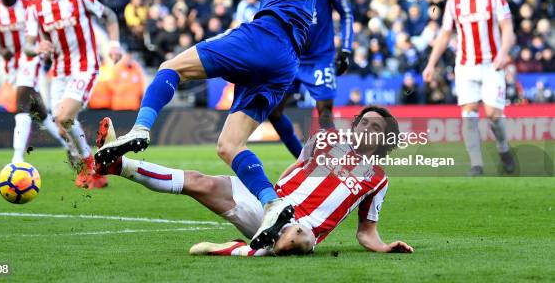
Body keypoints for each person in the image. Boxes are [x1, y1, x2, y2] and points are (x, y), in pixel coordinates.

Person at [96, 0, 417, 249]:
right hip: (284, 64)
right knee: (229, 146)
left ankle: (141, 129)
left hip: (265, 36)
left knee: (170, 67)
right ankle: (273, 203)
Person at [95, 106, 413, 256]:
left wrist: (386, 247)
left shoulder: (376, 180)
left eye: (375, 127)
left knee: (297, 240)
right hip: (270, 202)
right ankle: (120, 165)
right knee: (199, 182)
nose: (366, 128)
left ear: (384, 138)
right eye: (364, 122)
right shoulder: (326, 141)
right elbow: (296, 166)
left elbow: (366, 233)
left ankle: (232, 249)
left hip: (302, 229)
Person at [24, 0, 122, 189]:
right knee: (61, 124)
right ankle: (89, 170)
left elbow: (109, 15)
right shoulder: (34, 9)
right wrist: (37, 47)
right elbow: (28, 44)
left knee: (64, 116)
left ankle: (90, 165)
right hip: (58, 72)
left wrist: (114, 44)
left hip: (85, 66)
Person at [422, 0, 516, 176]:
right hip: (465, 66)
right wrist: (430, 64)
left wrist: (503, 54)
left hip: (492, 64)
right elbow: (444, 35)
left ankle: (503, 149)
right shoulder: (454, 3)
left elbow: (508, 29)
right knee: (469, 114)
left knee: (494, 115)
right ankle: (477, 165)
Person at [0, 0, 71, 164]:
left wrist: (45, 46)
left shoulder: (28, 5)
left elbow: (44, 25)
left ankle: (17, 158)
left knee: (22, 103)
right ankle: (70, 145)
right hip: (12, 66)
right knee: (40, 111)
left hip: (31, 57)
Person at [268, 0, 354, 158]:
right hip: (291, 57)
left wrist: (346, 49)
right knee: (273, 112)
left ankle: (343, 165)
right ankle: (304, 161)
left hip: (320, 58)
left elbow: (346, 13)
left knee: (324, 115)